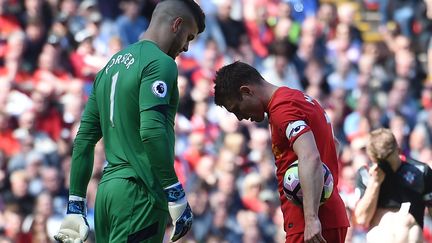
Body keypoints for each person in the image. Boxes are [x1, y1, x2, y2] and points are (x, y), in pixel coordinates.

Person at [54, 0, 205, 242]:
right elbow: (152, 130)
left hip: (107, 194)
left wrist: (76, 204)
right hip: (140, 192)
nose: (186, 48)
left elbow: (83, 140)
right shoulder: (161, 63)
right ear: (177, 24)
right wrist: (174, 192)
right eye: (189, 37)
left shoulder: (109, 67)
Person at [213, 61, 349, 243]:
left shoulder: (282, 109)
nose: (240, 117)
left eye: (237, 109)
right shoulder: (299, 98)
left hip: (310, 223)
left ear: (246, 91)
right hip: (329, 216)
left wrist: (311, 218)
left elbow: (310, 155)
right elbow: (334, 144)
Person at [354, 128, 432, 243]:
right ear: (371, 156)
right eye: (380, 160)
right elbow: (361, 219)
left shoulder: (420, 171)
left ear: (397, 149)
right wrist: (375, 183)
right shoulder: (366, 174)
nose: (385, 164)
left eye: (387, 159)